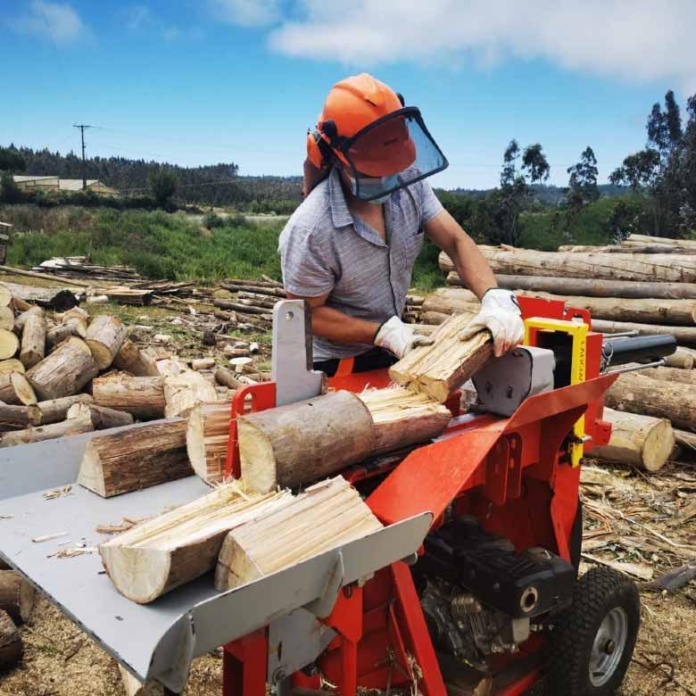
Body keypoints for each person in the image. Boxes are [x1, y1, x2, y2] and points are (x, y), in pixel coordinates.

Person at [279, 73, 524, 376]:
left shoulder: (408, 184)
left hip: (393, 351)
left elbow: (456, 243)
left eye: (392, 168)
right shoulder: (311, 229)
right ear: (339, 159)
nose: (387, 179)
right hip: (335, 366)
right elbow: (308, 314)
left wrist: (492, 296)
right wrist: (382, 332)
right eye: (375, 172)